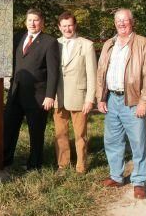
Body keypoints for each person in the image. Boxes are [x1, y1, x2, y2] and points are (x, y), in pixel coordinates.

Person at [96, 8, 146, 199]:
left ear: (132, 22)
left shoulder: (142, 43)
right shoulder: (109, 44)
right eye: (118, 20)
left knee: (137, 142)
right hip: (112, 99)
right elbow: (101, 73)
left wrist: (144, 102)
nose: (122, 23)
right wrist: (101, 97)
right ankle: (116, 176)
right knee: (112, 141)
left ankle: (139, 181)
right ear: (114, 23)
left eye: (125, 20)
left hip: (132, 101)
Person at [3, 8, 59, 170]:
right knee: (8, 127)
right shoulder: (18, 37)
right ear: (25, 22)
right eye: (29, 20)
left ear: (42, 23)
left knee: (36, 131)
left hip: (38, 96)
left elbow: (53, 72)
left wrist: (50, 95)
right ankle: (5, 160)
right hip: (15, 92)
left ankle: (34, 165)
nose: (32, 23)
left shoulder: (49, 42)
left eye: (36, 20)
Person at [53, 11, 97, 175]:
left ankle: (81, 166)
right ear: (59, 27)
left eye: (70, 25)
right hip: (59, 96)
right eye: (64, 26)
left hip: (79, 96)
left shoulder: (86, 45)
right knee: (60, 133)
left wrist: (89, 99)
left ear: (75, 25)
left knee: (80, 134)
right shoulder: (54, 44)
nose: (67, 29)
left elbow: (92, 73)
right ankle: (63, 165)